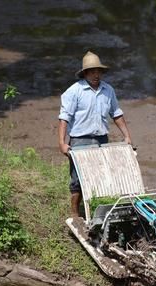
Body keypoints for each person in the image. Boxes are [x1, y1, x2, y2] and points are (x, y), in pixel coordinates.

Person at [57, 51, 133, 217]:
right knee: (78, 178)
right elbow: (64, 118)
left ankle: (99, 212)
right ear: (85, 73)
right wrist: (62, 143)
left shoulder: (108, 90)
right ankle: (75, 214)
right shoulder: (74, 91)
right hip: (80, 140)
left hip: (101, 139)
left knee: (101, 175)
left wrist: (127, 136)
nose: (96, 74)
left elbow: (116, 114)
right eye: (92, 71)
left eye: (98, 71)